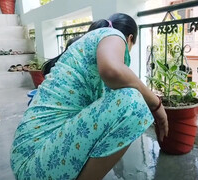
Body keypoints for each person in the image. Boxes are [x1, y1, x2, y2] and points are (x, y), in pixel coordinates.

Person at [10, 13, 168, 180]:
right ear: (129, 39)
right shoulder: (113, 35)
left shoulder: (89, 49)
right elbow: (113, 71)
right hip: (34, 162)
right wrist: (156, 105)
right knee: (133, 103)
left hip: (31, 159)